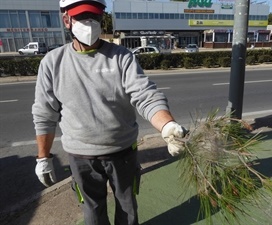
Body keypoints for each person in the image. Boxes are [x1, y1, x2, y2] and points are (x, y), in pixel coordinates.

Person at [32, 0, 187, 225]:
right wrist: (43, 157)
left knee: (127, 208)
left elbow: (145, 94)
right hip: (81, 157)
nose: (89, 23)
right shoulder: (52, 63)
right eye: (81, 15)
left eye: (94, 16)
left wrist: (167, 125)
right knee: (93, 212)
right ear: (66, 19)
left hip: (122, 153)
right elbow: (45, 114)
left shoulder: (122, 57)